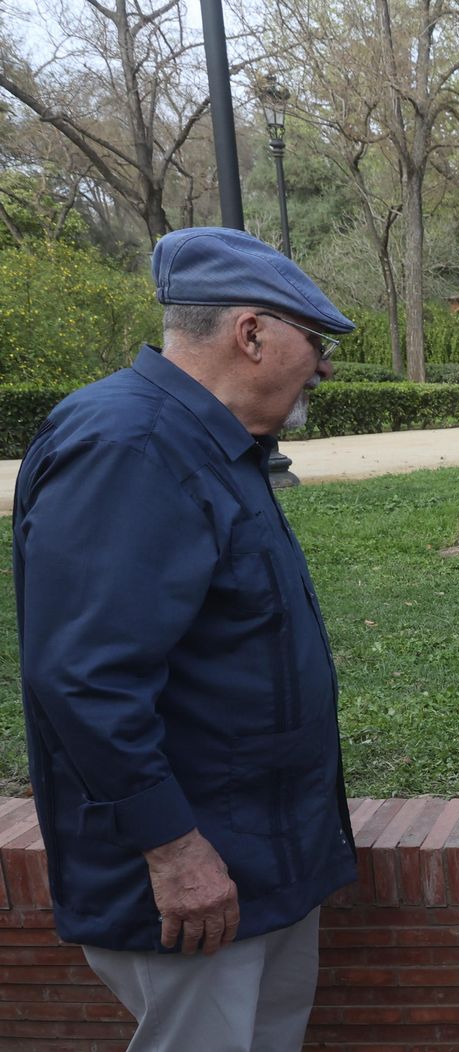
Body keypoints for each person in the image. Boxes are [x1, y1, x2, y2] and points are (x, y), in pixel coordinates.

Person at [12, 227, 358, 1050]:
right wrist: (172, 850)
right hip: (196, 875)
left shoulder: (208, 442)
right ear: (251, 334)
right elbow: (86, 679)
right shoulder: (130, 447)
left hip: (253, 859)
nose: (324, 367)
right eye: (317, 343)